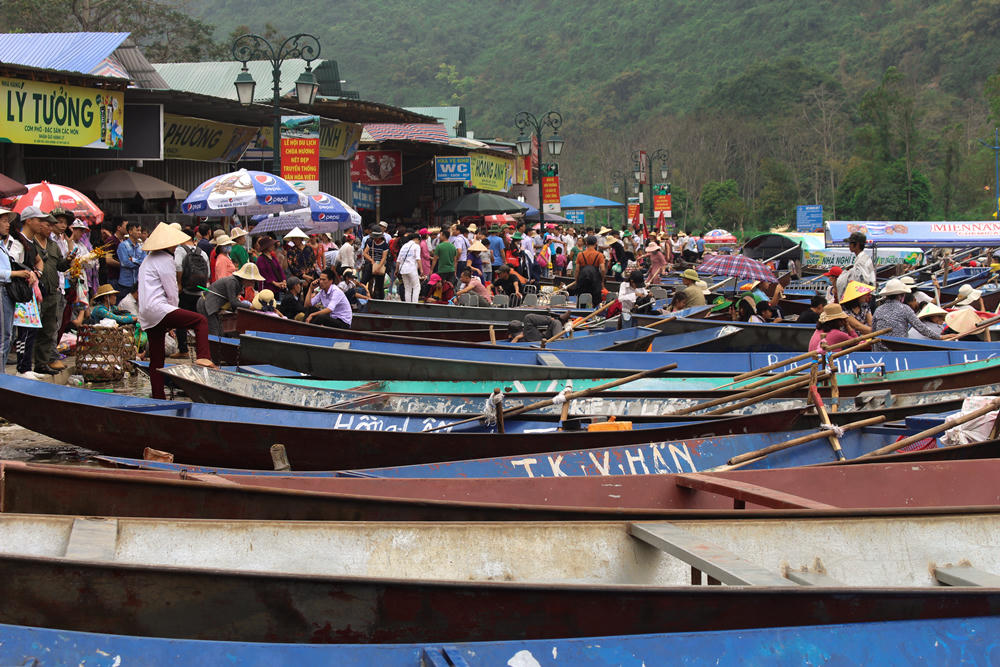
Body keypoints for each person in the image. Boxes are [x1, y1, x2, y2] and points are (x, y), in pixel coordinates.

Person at [138, 223, 214, 399]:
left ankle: (158, 396)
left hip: (147, 312)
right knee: (200, 321)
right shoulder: (165, 260)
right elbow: (172, 292)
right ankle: (203, 357)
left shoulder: (147, 260)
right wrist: (173, 313)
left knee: (156, 360)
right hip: (159, 308)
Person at [21, 206, 72, 374]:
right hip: (36, 293)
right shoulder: (29, 242)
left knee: (50, 329)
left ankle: (42, 364)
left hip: (53, 291)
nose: (51, 228)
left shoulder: (53, 245)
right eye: (48, 225)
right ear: (40, 225)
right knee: (33, 329)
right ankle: (28, 364)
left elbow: (60, 266)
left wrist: (70, 260)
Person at [0, 208, 38, 375]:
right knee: (4, 337)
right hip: (2, 291)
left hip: (7, 292)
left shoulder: (4, 245)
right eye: (3, 221)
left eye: (8, 221)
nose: (7, 225)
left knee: (7, 336)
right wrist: (16, 273)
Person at [173, 229, 210, 360]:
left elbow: (177, 265)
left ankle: (183, 350)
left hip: (185, 291)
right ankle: (202, 353)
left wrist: (179, 283)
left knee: (181, 320)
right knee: (199, 322)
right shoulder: (203, 253)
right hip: (199, 292)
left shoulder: (180, 250)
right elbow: (208, 274)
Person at [872, 278, 941, 349]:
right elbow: (921, 328)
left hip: (880, 350)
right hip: (898, 349)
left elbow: (873, 332)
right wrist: (939, 337)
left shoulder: (878, 310)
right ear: (901, 296)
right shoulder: (905, 308)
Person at [197, 262, 262, 336]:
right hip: (207, 305)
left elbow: (234, 303)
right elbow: (233, 302)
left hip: (213, 307)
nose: (252, 284)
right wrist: (250, 307)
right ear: (246, 278)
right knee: (214, 332)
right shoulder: (232, 282)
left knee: (220, 332)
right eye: (252, 281)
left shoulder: (239, 285)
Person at [837, 231, 876, 297]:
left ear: (857, 245)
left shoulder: (862, 261)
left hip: (865, 296)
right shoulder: (862, 258)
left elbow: (860, 282)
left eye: (850, 243)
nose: (849, 245)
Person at [116, 221, 146, 300]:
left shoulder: (141, 246)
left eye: (140, 230)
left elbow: (144, 261)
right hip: (125, 283)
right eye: (137, 230)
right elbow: (124, 263)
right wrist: (138, 263)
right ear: (130, 231)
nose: (139, 232)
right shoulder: (123, 245)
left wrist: (133, 260)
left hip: (138, 282)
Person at [573, 235, 606, 307]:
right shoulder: (599, 255)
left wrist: (576, 280)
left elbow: (577, 270)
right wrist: (602, 279)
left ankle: (581, 315)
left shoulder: (580, 254)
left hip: (582, 280)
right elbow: (603, 269)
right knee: (596, 302)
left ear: (586, 243)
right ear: (596, 243)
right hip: (595, 281)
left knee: (582, 301)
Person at [362, 226, 390, 300]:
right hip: (371, 265)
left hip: (381, 266)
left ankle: (379, 300)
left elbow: (384, 258)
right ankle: (363, 296)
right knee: (363, 281)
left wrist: (378, 267)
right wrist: (371, 260)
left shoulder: (385, 245)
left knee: (379, 285)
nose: (376, 239)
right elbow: (364, 253)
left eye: (377, 237)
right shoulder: (370, 242)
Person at [395, 232, 423, 303]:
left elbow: (398, 259)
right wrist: (421, 270)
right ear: (417, 239)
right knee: (416, 287)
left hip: (403, 269)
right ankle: (414, 303)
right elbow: (418, 258)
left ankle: (408, 303)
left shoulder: (404, 246)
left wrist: (396, 270)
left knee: (407, 288)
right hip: (411, 269)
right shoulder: (416, 246)